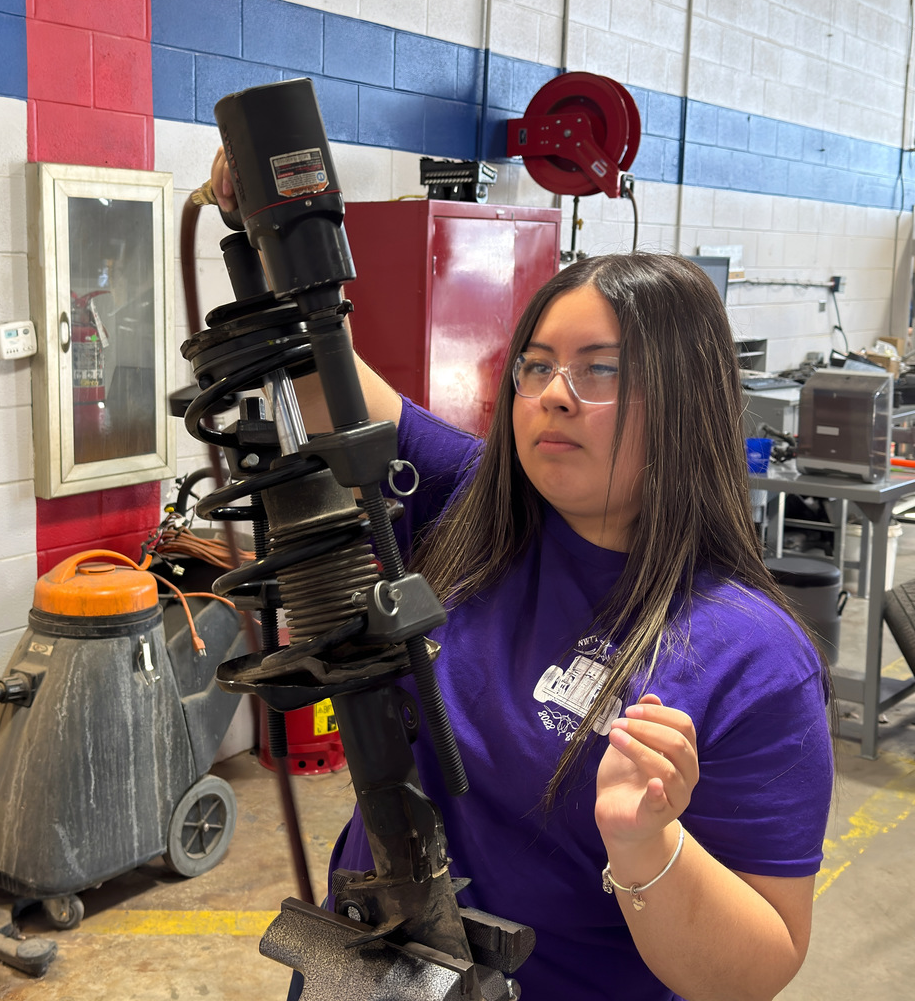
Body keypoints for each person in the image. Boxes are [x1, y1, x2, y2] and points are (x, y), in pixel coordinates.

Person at [210, 151, 834, 1001]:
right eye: (536, 366)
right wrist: (271, 230)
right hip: (370, 969)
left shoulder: (752, 659)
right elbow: (330, 386)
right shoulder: (477, 507)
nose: (554, 395)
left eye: (599, 369)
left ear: (688, 399)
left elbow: (757, 968)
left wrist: (649, 844)